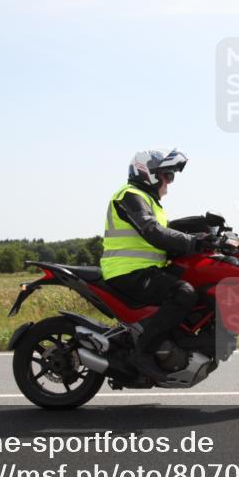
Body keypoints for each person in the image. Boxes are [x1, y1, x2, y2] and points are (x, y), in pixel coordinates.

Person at [101, 149, 210, 380]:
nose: (169, 182)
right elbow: (153, 231)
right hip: (127, 272)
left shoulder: (149, 201)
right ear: (148, 173)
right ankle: (144, 351)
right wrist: (194, 242)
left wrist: (207, 227)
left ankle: (180, 343)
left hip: (146, 270)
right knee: (184, 293)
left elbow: (169, 228)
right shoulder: (129, 195)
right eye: (167, 175)